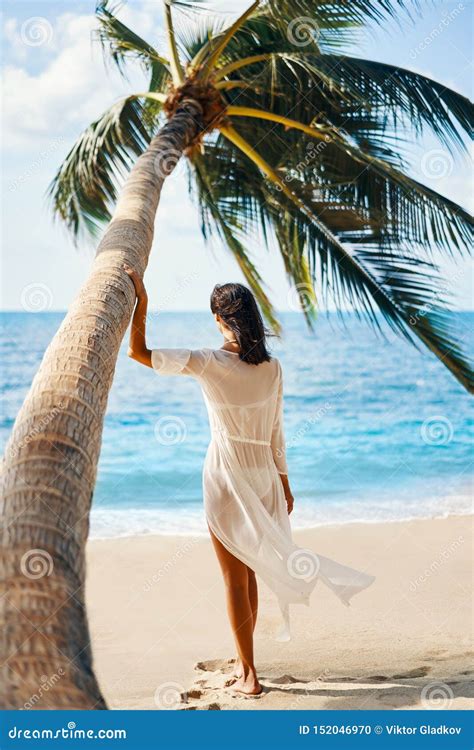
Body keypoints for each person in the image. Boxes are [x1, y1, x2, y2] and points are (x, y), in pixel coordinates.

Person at [124, 267, 375, 697]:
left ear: (222, 320)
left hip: (225, 472)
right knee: (251, 570)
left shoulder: (208, 360)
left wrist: (141, 304)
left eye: (216, 317)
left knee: (233, 579)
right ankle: (246, 664)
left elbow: (139, 353)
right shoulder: (273, 368)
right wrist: (285, 483)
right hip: (263, 474)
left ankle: (250, 676)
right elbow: (278, 432)